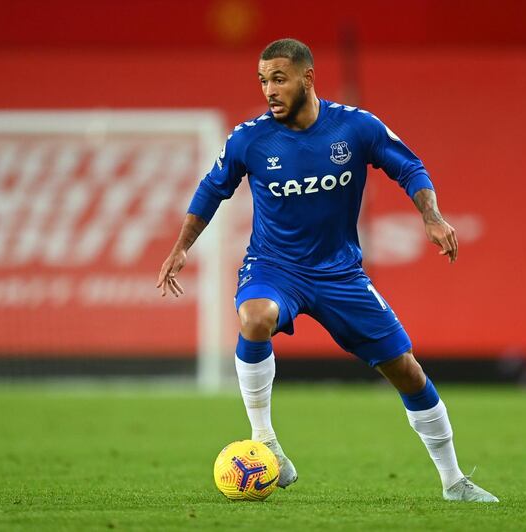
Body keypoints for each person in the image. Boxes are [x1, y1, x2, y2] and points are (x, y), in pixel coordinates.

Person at [156, 38, 498, 503]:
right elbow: (211, 190)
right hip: (274, 265)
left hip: (340, 274)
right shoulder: (249, 139)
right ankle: (267, 443)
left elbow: (409, 167)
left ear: (307, 78)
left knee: (407, 371)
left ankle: (454, 481)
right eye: (263, 81)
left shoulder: (355, 128)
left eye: (279, 78)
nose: (269, 90)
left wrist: (431, 216)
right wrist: (180, 248)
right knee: (254, 317)